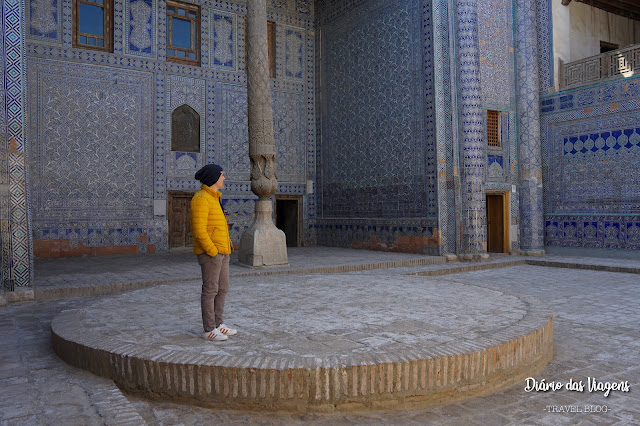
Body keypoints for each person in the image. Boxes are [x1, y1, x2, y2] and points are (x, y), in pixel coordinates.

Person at [191, 164, 237, 341]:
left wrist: (225, 249)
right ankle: (209, 329)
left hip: (222, 252)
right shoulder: (201, 198)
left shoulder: (214, 198)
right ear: (213, 178)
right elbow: (199, 230)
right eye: (222, 175)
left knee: (223, 288)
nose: (224, 178)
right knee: (210, 290)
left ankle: (218, 325)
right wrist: (212, 250)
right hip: (211, 254)